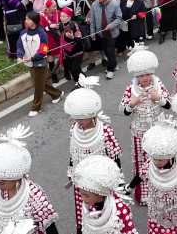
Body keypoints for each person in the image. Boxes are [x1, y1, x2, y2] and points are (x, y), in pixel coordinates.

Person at [126, 123, 177, 233]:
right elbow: (140, 176)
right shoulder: (150, 164)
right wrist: (129, 188)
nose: (156, 162)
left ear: (170, 156)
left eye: (160, 160)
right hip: (156, 214)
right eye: (154, 158)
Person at [64, 80, 123, 233]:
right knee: (82, 210)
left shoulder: (105, 132)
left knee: (102, 213)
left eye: (81, 119)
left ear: (92, 115)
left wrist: (117, 181)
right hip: (81, 180)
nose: (78, 122)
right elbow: (73, 152)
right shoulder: (73, 130)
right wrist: (71, 171)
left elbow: (115, 158)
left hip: (100, 181)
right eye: (75, 118)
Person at [0, 124, 59, 234]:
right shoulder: (0, 193)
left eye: (2, 183)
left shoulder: (34, 196)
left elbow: (50, 229)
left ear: (16, 177)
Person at [119, 48, 170, 204]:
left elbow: (169, 105)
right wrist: (131, 104)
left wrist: (159, 98)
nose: (145, 78)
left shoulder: (158, 85)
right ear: (136, 76)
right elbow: (123, 111)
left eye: (147, 74)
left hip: (158, 130)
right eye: (141, 75)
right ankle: (143, 195)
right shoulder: (131, 89)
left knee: (159, 161)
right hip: (139, 132)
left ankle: (161, 190)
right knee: (141, 162)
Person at [72, 155, 137, 234]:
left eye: (86, 195)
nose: (83, 199)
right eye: (81, 194)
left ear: (100, 194)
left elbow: (128, 231)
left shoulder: (119, 210)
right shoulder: (88, 206)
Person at [17, 11, 63, 117]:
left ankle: (36, 107)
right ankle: (57, 94)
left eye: (28, 19)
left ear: (34, 21)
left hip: (40, 63)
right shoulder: (23, 32)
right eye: (25, 18)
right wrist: (20, 55)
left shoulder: (42, 33)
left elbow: (43, 50)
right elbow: (19, 45)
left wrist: (32, 58)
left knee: (38, 86)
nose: (26, 21)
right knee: (41, 83)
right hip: (29, 63)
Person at [90, 0, 123, 80]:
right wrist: (92, 32)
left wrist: (111, 25)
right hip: (101, 33)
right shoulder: (94, 5)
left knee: (110, 51)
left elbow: (119, 18)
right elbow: (92, 20)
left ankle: (110, 70)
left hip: (112, 33)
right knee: (105, 50)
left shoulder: (114, 4)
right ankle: (114, 64)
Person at [59, 7, 85, 84]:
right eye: (61, 16)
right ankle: (82, 82)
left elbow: (79, 40)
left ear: (69, 17)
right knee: (75, 70)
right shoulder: (61, 25)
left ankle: (80, 83)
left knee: (74, 70)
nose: (61, 18)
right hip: (67, 52)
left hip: (77, 51)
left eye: (63, 16)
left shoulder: (74, 25)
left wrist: (73, 37)